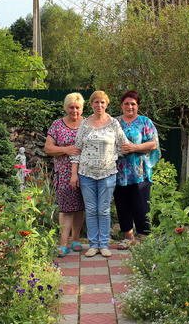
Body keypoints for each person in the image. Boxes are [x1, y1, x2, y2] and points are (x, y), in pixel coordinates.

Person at [70, 90, 130, 258]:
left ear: (107, 104)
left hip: (108, 174)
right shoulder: (85, 124)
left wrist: (113, 156)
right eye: (96, 102)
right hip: (86, 174)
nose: (99, 105)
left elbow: (123, 145)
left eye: (102, 102)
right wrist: (74, 174)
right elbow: (76, 150)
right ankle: (93, 245)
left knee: (103, 210)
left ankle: (103, 244)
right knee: (90, 209)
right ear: (91, 104)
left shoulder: (113, 123)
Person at [115, 90, 160, 249]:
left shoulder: (145, 122)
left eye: (133, 104)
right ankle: (128, 238)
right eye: (126, 103)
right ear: (121, 106)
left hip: (140, 173)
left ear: (137, 106)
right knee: (122, 205)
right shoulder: (114, 123)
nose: (129, 106)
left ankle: (144, 239)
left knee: (141, 206)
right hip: (119, 174)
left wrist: (135, 147)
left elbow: (153, 144)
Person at [44, 92, 85, 257]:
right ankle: (63, 243)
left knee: (80, 206)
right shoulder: (57, 125)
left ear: (82, 108)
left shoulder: (88, 124)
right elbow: (48, 149)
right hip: (64, 173)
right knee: (66, 208)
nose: (74, 110)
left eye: (77, 107)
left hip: (85, 172)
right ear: (66, 107)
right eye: (71, 107)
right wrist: (65, 150)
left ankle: (75, 239)